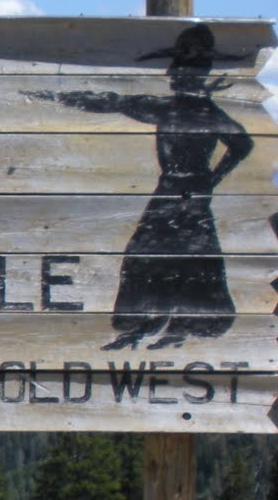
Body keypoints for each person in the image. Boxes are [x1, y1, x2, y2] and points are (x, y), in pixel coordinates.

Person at [29, 23, 253, 350]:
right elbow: (114, 102)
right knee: (171, 254)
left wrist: (213, 178)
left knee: (168, 254)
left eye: (181, 68)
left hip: (185, 191)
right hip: (174, 188)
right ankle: (159, 323)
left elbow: (243, 145)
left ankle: (172, 324)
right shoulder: (191, 109)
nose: (174, 73)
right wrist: (212, 179)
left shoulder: (198, 110)